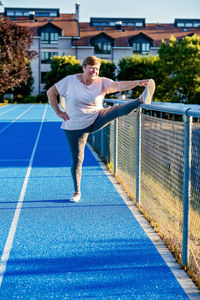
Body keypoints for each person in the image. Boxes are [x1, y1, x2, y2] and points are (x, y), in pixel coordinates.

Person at [47, 56, 155, 202]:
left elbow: (119, 85)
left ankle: (141, 99)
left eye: (97, 69)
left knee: (116, 110)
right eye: (92, 68)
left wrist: (137, 83)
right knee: (77, 159)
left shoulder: (102, 82)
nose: (94, 71)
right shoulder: (69, 81)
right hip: (74, 126)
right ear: (84, 68)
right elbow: (50, 92)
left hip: (96, 117)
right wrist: (58, 112)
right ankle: (76, 191)